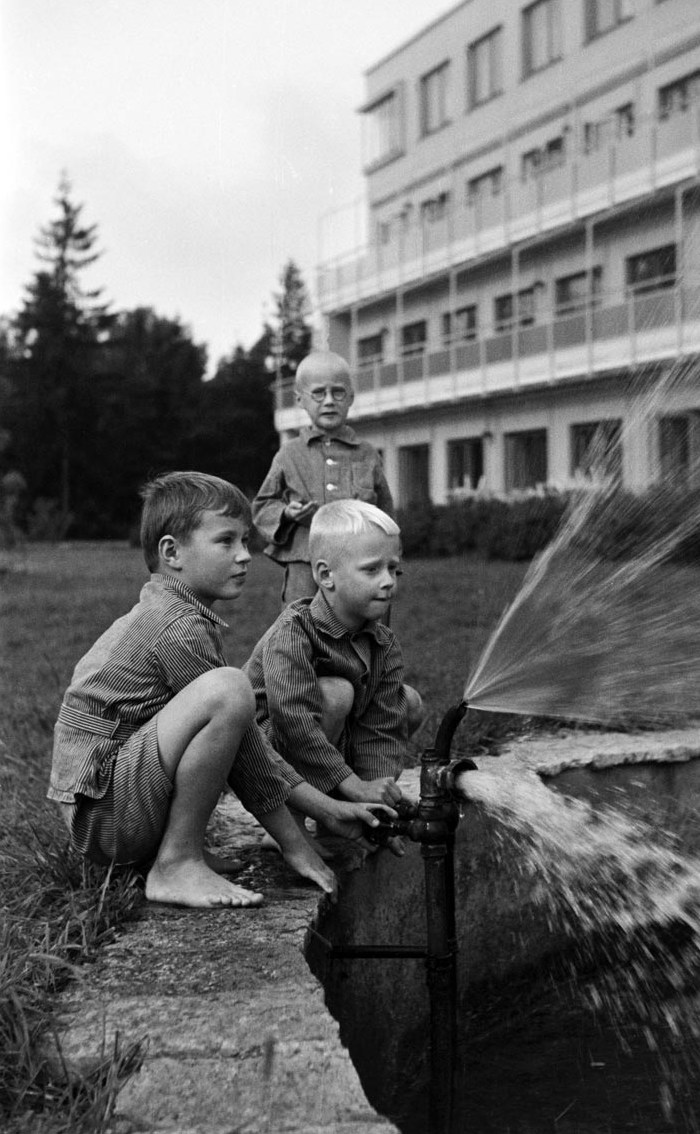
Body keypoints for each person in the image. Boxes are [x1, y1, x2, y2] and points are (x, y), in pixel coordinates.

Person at [47, 471, 394, 909]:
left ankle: (175, 849)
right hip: (104, 817)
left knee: (230, 696)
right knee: (230, 690)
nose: (245, 556)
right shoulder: (174, 626)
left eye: (246, 541)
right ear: (171, 552)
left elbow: (238, 746)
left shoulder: (178, 613)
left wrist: (325, 809)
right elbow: (248, 752)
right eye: (226, 542)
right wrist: (301, 835)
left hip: (114, 804)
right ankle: (175, 863)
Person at [243, 501, 423, 846]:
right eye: (371, 570)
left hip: (321, 743)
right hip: (264, 753)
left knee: (407, 702)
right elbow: (293, 722)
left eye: (394, 569)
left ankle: (344, 817)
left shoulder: (383, 643)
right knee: (337, 693)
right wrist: (351, 783)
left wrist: (374, 801)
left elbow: (380, 727)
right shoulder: (294, 631)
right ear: (326, 576)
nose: (388, 582)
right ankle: (287, 824)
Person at [252, 349, 394, 604]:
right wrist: (287, 513)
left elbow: (386, 515)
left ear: (350, 397)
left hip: (360, 562)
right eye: (318, 393)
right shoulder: (289, 454)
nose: (329, 400)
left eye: (338, 392)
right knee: (301, 629)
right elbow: (263, 506)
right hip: (304, 565)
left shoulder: (367, 454)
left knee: (362, 631)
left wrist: (390, 562)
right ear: (300, 399)